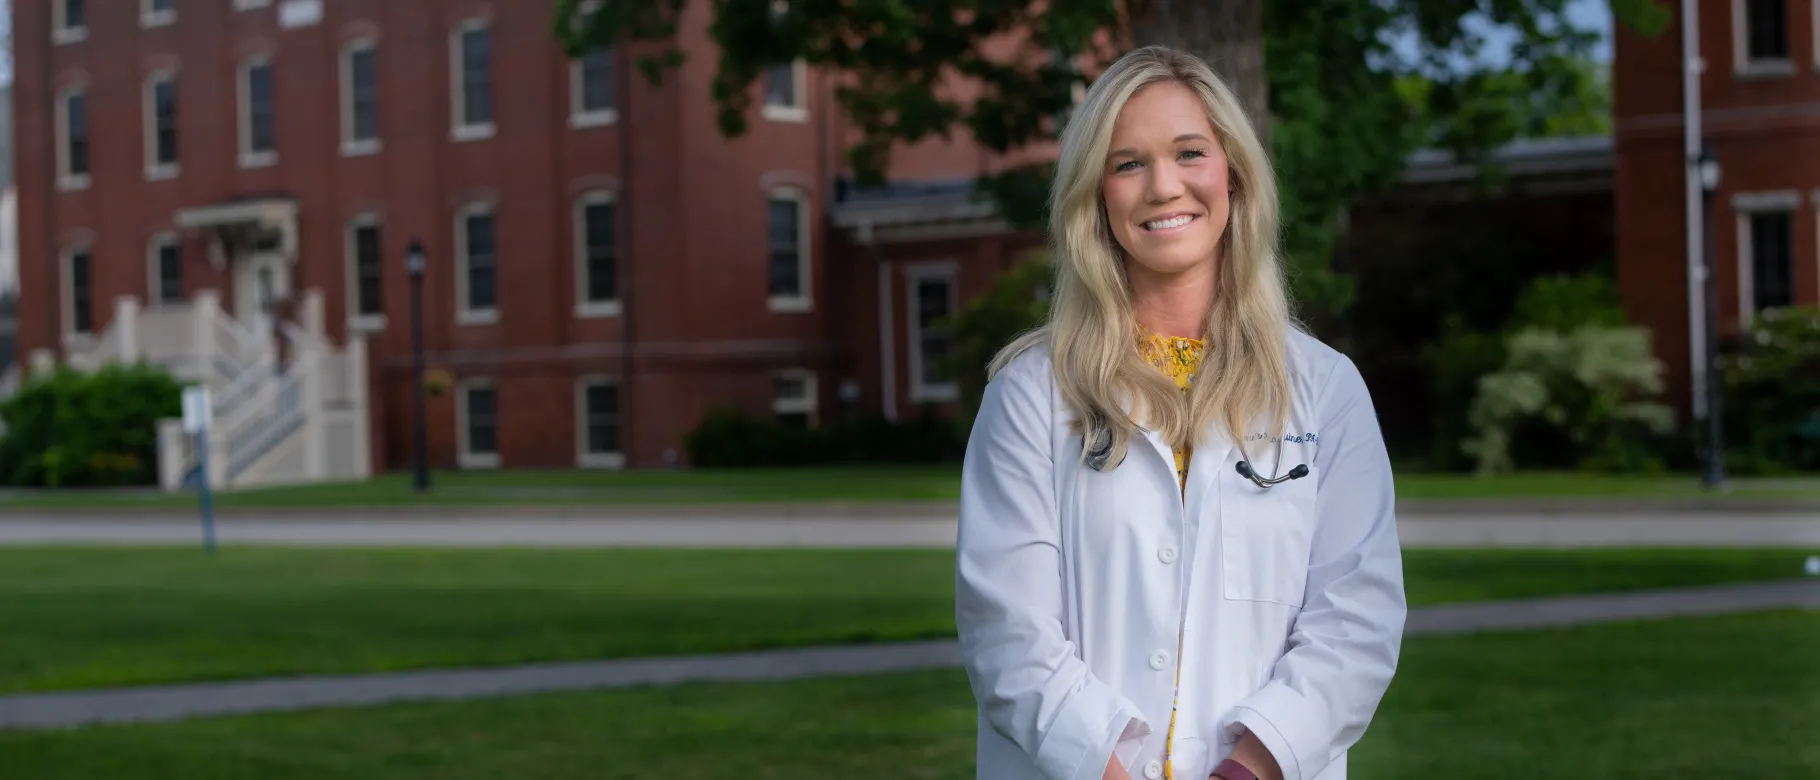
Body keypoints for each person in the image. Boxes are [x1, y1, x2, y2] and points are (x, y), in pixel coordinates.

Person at [955, 46, 1405, 780]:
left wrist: (1248, 768)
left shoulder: (1326, 388)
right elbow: (1007, 631)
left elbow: (1357, 620)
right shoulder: (1030, 394)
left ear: (1233, 173)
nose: (1164, 187)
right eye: (1127, 164)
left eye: (1189, 152)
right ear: (1096, 196)